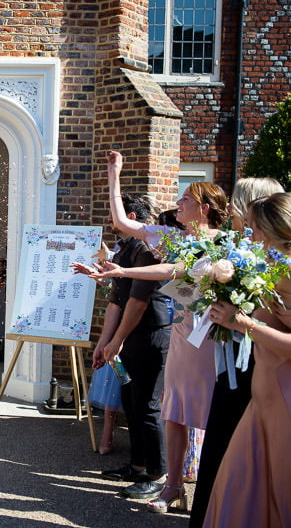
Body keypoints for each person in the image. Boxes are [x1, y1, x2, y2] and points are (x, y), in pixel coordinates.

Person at [90, 151, 229, 514]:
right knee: (174, 411)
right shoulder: (173, 236)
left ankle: (215, 486)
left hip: (215, 336)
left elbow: (175, 269)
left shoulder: (226, 245)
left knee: (214, 412)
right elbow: (123, 222)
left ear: (205, 207)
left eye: (186, 198)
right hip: (184, 335)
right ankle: (172, 487)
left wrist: (122, 273)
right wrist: (114, 174)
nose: (178, 202)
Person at [188, 177, 284, 527]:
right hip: (245, 369)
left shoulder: (272, 264)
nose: (230, 209)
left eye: (236, 202)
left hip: (260, 371)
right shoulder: (247, 252)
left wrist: (240, 320)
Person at [73, 192, 172, 499]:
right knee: (131, 402)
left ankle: (158, 475)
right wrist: (106, 345)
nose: (111, 220)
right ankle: (138, 466)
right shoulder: (127, 247)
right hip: (129, 340)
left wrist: (115, 341)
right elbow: (117, 299)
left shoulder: (146, 248)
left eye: (119, 214)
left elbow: (138, 302)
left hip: (151, 337)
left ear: (133, 218)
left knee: (147, 407)